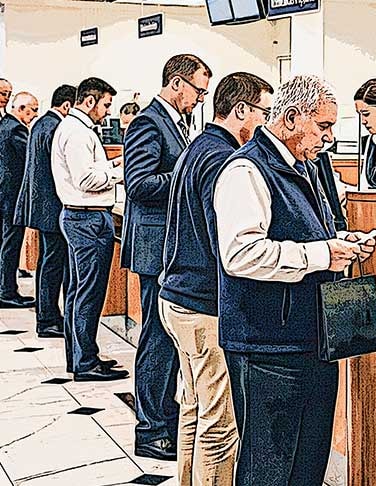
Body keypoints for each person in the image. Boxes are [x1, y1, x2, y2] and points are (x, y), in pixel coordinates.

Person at [213, 75, 376, 486]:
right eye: (323, 126)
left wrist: (341, 242)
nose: (330, 137)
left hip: (311, 340)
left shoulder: (306, 166)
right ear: (290, 118)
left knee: (308, 465)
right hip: (268, 346)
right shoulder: (246, 170)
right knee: (269, 469)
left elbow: (306, 231)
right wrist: (321, 254)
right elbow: (240, 254)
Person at [159, 72, 273, 486]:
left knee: (194, 409)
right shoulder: (223, 159)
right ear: (241, 110)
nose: (266, 122)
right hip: (202, 307)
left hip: (177, 298)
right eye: (264, 112)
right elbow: (228, 245)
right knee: (220, 426)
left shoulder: (199, 146)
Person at [122, 53, 212, 461]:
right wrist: (188, 174)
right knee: (157, 338)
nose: (200, 99)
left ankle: (165, 417)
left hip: (170, 247)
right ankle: (151, 429)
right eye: (198, 91)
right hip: (155, 247)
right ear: (177, 83)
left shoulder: (178, 123)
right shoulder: (148, 122)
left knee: (168, 338)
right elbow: (139, 184)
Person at [51, 77, 126, 381]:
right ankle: (85, 363)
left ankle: (81, 356)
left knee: (77, 291)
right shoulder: (78, 133)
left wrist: (111, 165)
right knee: (89, 293)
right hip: (87, 220)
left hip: (80, 217)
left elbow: (89, 171)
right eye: (106, 105)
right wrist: (120, 173)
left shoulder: (74, 128)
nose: (108, 112)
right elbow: (86, 180)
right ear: (90, 101)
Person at [14, 84, 77, 336]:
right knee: (53, 264)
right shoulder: (57, 127)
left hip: (41, 205)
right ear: (67, 105)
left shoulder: (41, 124)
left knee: (48, 262)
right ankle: (48, 319)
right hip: (52, 206)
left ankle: (47, 314)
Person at [0, 92, 39, 308]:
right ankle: (7, 292)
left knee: (6, 242)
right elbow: (31, 158)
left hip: (4, 193)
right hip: (11, 196)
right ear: (21, 108)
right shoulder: (16, 129)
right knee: (11, 243)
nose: (35, 114)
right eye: (33, 109)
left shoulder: (4, 125)